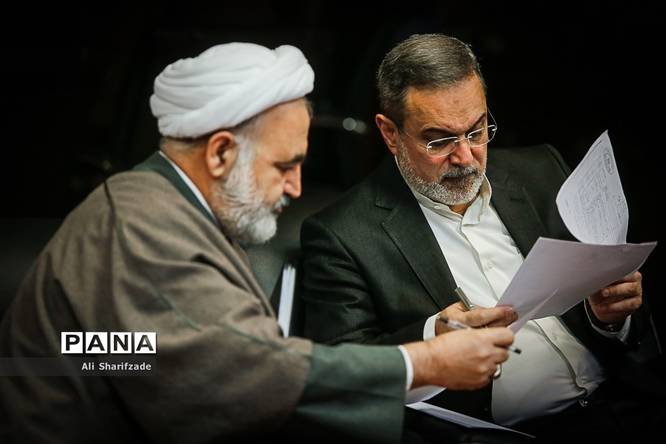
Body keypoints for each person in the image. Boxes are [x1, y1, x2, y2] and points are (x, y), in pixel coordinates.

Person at [0, 42, 517, 444]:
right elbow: (241, 367)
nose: (296, 188)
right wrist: (426, 362)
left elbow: (137, 353)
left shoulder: (165, 206)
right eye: (284, 165)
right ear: (220, 154)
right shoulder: (142, 227)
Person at [300, 33, 666, 443]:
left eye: (476, 131)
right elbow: (340, 374)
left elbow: (621, 322)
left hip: (627, 404)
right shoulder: (341, 235)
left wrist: (608, 318)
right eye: (439, 140)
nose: (465, 157)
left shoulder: (540, 170)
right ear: (390, 134)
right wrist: (432, 341)